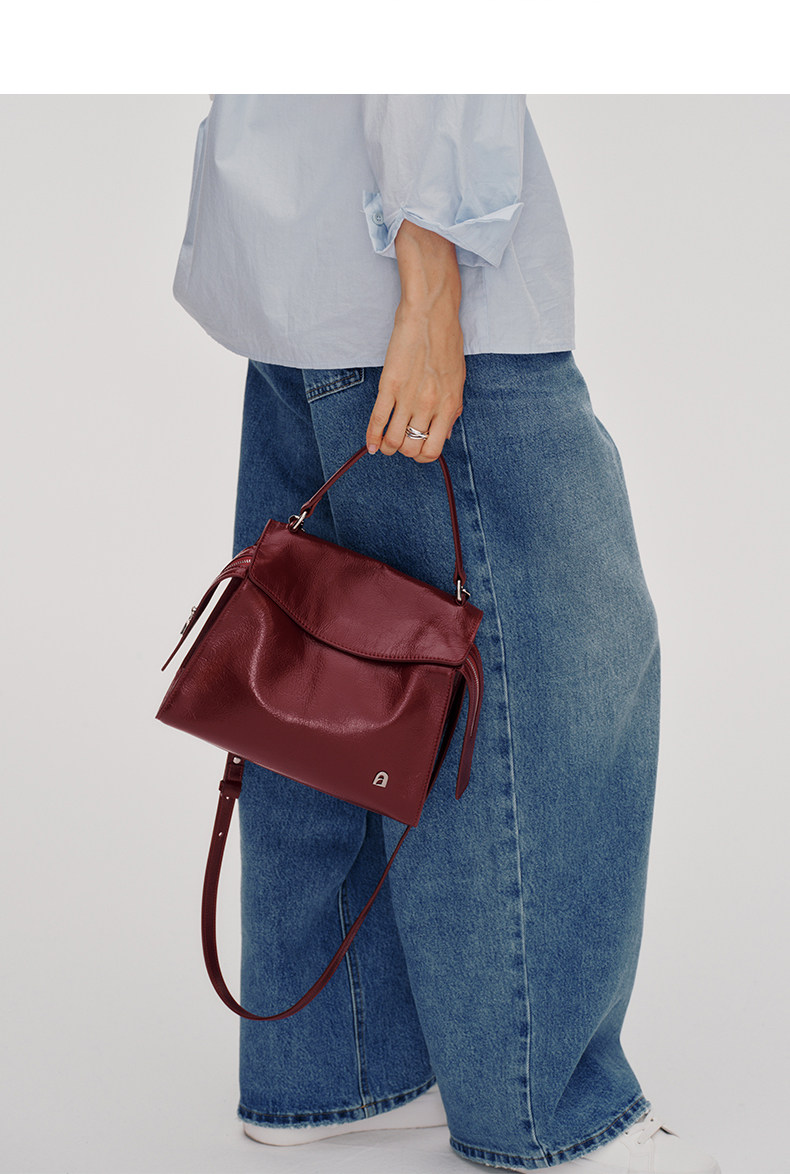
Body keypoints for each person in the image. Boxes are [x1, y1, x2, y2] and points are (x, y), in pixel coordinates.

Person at [171, 94, 720, 1173]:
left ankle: (341, 1073)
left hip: (303, 262)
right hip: (408, 282)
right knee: (546, 679)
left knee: (326, 682)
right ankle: (543, 1117)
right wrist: (432, 287)